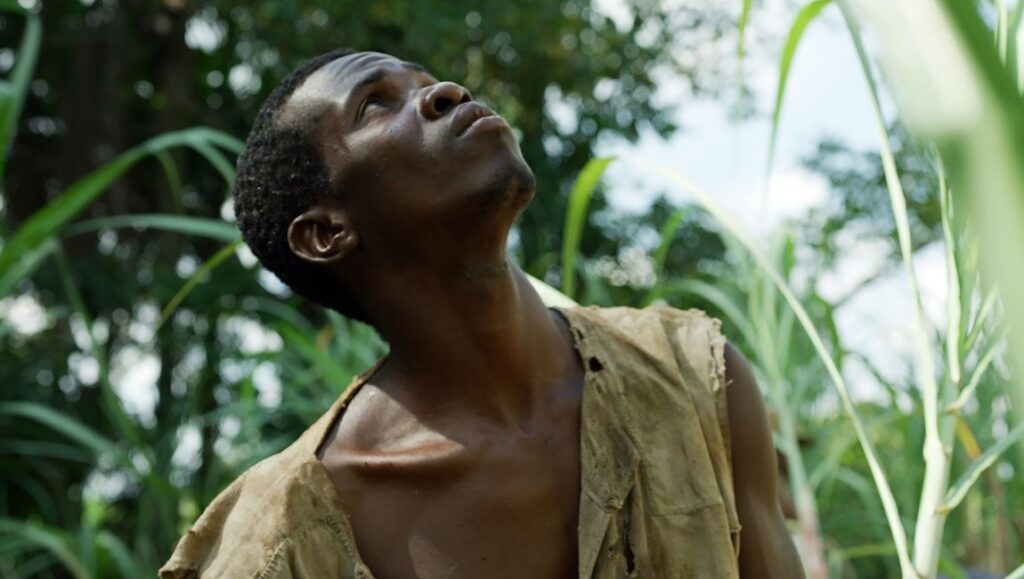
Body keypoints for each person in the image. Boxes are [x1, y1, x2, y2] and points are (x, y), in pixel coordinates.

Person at [159, 48, 805, 579]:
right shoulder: (276, 543)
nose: (442, 91)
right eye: (374, 104)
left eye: (423, 78)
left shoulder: (695, 382)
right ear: (325, 232)